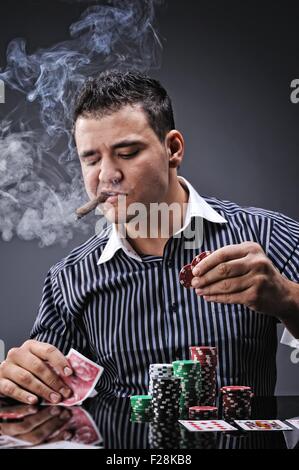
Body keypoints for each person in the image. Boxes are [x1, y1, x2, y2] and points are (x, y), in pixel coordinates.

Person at [0, 70, 298, 405]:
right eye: (92, 159)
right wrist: (18, 382)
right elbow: (41, 397)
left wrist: (288, 298)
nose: (107, 176)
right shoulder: (67, 280)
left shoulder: (264, 237)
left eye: (127, 153)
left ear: (173, 148)